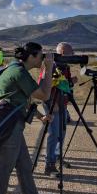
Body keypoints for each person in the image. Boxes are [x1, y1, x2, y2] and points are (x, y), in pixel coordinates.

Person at [0, 42, 60, 194]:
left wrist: (39, 116)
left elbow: (22, 99)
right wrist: (49, 68)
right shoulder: (19, 72)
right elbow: (44, 95)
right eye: (40, 56)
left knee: (25, 166)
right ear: (31, 57)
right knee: (4, 171)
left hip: (12, 126)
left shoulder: (14, 69)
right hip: (8, 129)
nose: (42, 59)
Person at [38, 42, 78, 177]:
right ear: (61, 54)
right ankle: (49, 165)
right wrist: (50, 104)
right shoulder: (52, 66)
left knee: (62, 133)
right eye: (70, 53)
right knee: (54, 134)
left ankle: (57, 157)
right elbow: (43, 87)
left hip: (62, 103)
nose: (73, 55)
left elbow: (63, 84)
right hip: (53, 104)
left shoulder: (65, 66)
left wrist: (71, 82)